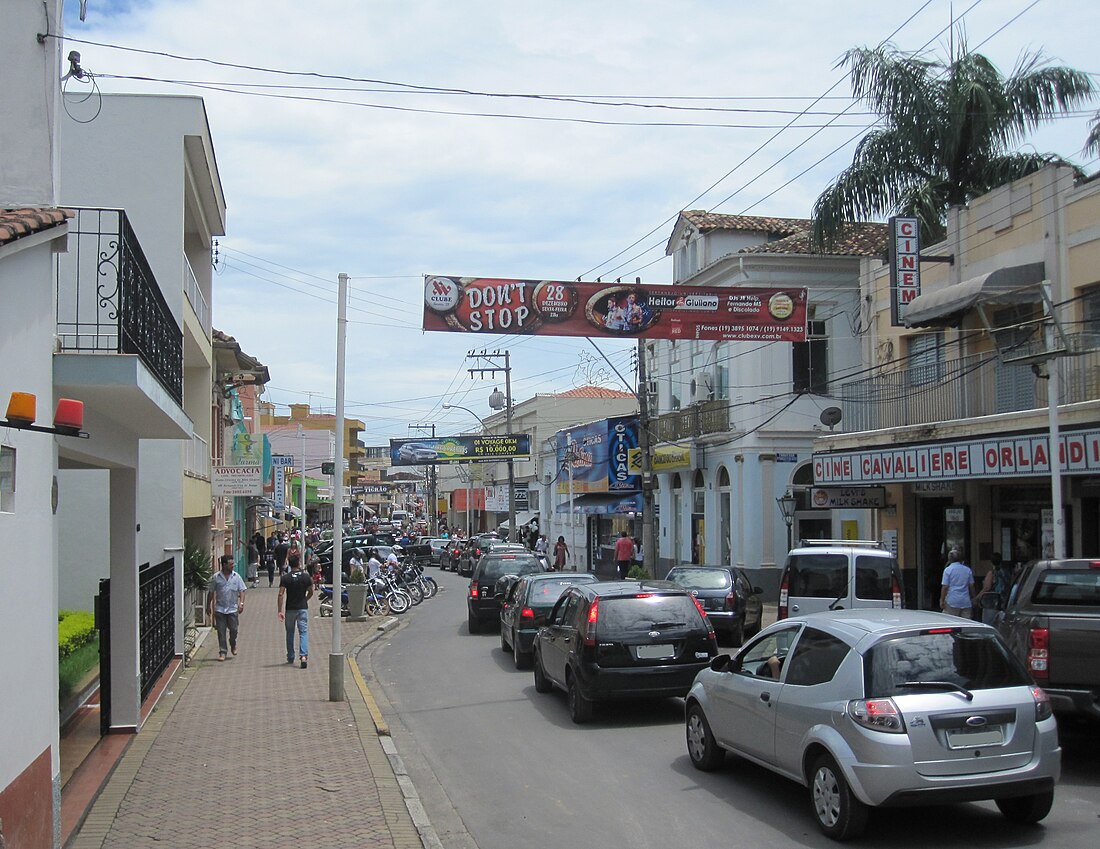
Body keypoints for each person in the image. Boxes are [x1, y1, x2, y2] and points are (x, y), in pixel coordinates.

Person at [207, 555, 247, 662]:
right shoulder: (216, 577)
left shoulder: (236, 577)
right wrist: (208, 606)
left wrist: (241, 603)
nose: (233, 566)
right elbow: (211, 592)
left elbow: (242, 590)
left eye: (233, 564)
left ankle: (233, 644)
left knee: (233, 630)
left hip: (232, 609)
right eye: (230, 564)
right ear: (224, 565)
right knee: (221, 631)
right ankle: (222, 652)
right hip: (220, 609)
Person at [278, 552, 313, 668]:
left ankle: (291, 656)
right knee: (303, 632)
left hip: (290, 609)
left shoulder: (285, 578)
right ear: (298, 563)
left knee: (290, 633)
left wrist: (280, 610)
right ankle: (303, 656)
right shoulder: (306, 576)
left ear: (289, 564)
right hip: (302, 607)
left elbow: (281, 594)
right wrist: (305, 599)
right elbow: (311, 591)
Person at [939, 549, 976, 618]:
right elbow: (971, 586)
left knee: (951, 622)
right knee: (966, 623)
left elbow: (945, 587)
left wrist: (942, 600)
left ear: (949, 559)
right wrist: (974, 598)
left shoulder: (948, 570)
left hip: (952, 600)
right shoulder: (967, 570)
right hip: (965, 601)